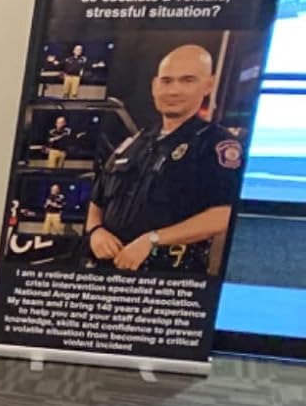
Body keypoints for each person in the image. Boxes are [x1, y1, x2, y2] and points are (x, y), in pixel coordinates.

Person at [85, 44, 243, 272]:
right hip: (107, 270)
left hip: (168, 279)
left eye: (187, 80)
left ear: (208, 85)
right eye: (167, 81)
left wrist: (153, 239)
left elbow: (223, 214)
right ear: (154, 86)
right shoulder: (135, 142)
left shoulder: (216, 144)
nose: (173, 91)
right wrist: (95, 231)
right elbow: (97, 200)